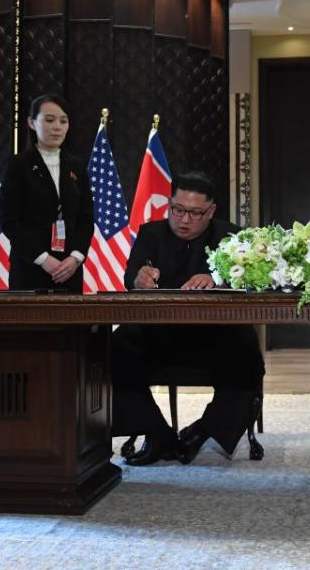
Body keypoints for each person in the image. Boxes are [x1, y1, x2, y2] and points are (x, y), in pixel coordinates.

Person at [112, 172, 265, 466]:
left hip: (214, 337)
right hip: (158, 335)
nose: (184, 220)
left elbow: (251, 281)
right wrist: (138, 278)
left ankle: (201, 431)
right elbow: (130, 275)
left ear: (211, 211)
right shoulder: (151, 233)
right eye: (177, 210)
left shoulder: (230, 236)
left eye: (195, 213)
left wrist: (217, 279)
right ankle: (156, 433)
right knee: (113, 347)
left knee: (247, 354)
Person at [0, 93, 93, 293]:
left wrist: (76, 257)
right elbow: (9, 221)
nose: (57, 127)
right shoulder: (18, 165)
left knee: (72, 324)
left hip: (69, 270)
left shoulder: (77, 166)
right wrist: (43, 259)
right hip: (29, 268)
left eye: (63, 121)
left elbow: (86, 219)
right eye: (49, 120)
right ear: (32, 123)